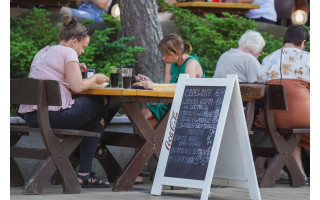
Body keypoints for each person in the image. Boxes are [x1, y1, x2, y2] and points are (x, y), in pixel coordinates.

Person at [18, 16, 110, 188]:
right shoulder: (68, 53)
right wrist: (96, 77)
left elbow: (60, 80)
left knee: (94, 118)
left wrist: (74, 66)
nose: (83, 52)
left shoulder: (45, 51)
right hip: (49, 116)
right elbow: (77, 86)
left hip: (31, 116)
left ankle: (86, 169)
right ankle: (96, 148)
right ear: (74, 41)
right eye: (83, 47)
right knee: (102, 101)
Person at [134, 34, 205, 183]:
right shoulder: (170, 64)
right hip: (169, 106)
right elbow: (166, 89)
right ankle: (140, 166)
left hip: (186, 111)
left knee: (143, 124)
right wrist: (151, 83)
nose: (163, 59)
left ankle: (140, 166)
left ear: (177, 53)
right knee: (139, 117)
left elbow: (186, 89)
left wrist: (156, 86)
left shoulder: (191, 63)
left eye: (166, 55)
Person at [255, 25, 310, 183]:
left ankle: (299, 174)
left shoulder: (268, 59)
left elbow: (260, 86)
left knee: (293, 134)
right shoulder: (309, 58)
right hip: (301, 116)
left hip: (271, 117)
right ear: (302, 43)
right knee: (298, 127)